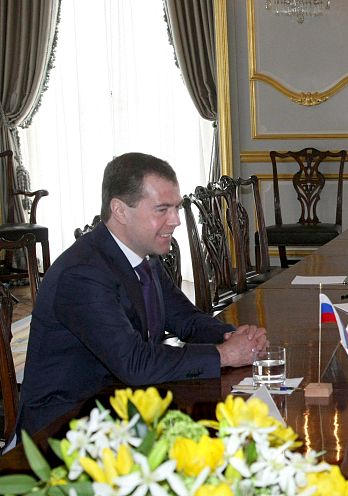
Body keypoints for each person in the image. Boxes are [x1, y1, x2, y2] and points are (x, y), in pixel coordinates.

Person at [17, 152, 269, 437]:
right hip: (64, 427)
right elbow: (134, 363)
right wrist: (223, 354)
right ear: (121, 211)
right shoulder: (82, 273)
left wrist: (233, 336)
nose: (175, 220)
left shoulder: (142, 256)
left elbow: (186, 319)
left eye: (177, 207)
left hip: (120, 405)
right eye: (162, 209)